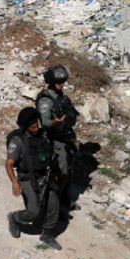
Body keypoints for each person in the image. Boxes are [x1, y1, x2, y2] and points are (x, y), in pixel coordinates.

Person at [6, 107, 61, 250]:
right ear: (25, 127)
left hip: (44, 176)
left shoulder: (43, 136)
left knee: (53, 203)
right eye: (32, 127)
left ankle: (47, 235)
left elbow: (50, 154)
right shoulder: (18, 141)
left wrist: (55, 173)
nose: (36, 128)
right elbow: (9, 164)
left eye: (37, 124)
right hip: (27, 178)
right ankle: (14, 218)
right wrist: (14, 183)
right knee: (33, 211)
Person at [36, 64, 79, 207]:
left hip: (65, 137)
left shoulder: (62, 98)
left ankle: (64, 197)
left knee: (70, 166)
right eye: (58, 82)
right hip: (52, 139)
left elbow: (71, 113)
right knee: (62, 169)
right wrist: (55, 122)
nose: (61, 85)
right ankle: (55, 202)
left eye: (62, 82)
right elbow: (44, 122)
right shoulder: (46, 100)